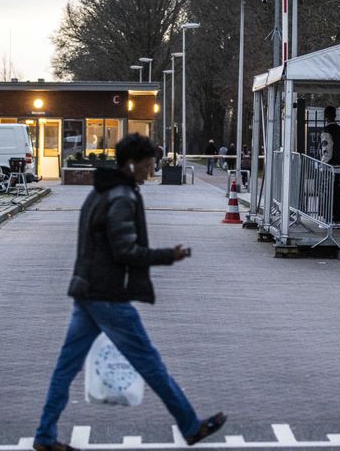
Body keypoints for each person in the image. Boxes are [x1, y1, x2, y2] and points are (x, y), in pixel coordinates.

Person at [34, 133, 226, 451]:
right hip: (108, 296)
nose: (151, 171)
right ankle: (190, 426)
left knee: (66, 366)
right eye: (149, 165)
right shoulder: (122, 196)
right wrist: (168, 255)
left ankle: (44, 436)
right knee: (149, 362)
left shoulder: (102, 190)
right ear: (133, 164)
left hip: (88, 291)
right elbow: (125, 250)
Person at [319, 105, 340, 228]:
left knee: (327, 193)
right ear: (335, 115)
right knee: (338, 194)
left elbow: (327, 150)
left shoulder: (326, 131)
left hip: (329, 166)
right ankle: (338, 218)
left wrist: (323, 164)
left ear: (325, 116)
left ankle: (328, 219)